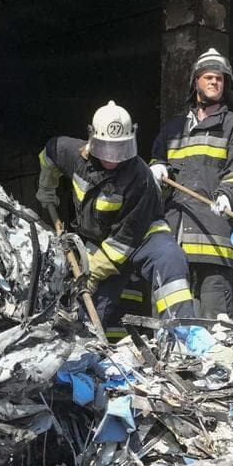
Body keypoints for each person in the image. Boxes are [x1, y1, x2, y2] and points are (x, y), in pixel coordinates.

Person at [38, 101, 196, 338]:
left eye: (119, 149)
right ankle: (90, 349)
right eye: (106, 149)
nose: (113, 158)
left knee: (170, 260)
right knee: (89, 309)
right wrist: (46, 186)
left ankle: (183, 337)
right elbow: (50, 152)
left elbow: (126, 238)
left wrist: (91, 273)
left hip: (144, 237)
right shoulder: (72, 154)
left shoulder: (140, 177)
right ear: (93, 139)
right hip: (101, 241)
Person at [151, 48, 233, 317]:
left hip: (214, 236)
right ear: (195, 82)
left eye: (220, 79)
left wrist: (228, 196)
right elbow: (156, 163)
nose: (214, 82)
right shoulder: (172, 129)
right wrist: (157, 169)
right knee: (173, 317)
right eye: (208, 77)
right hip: (173, 238)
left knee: (215, 319)